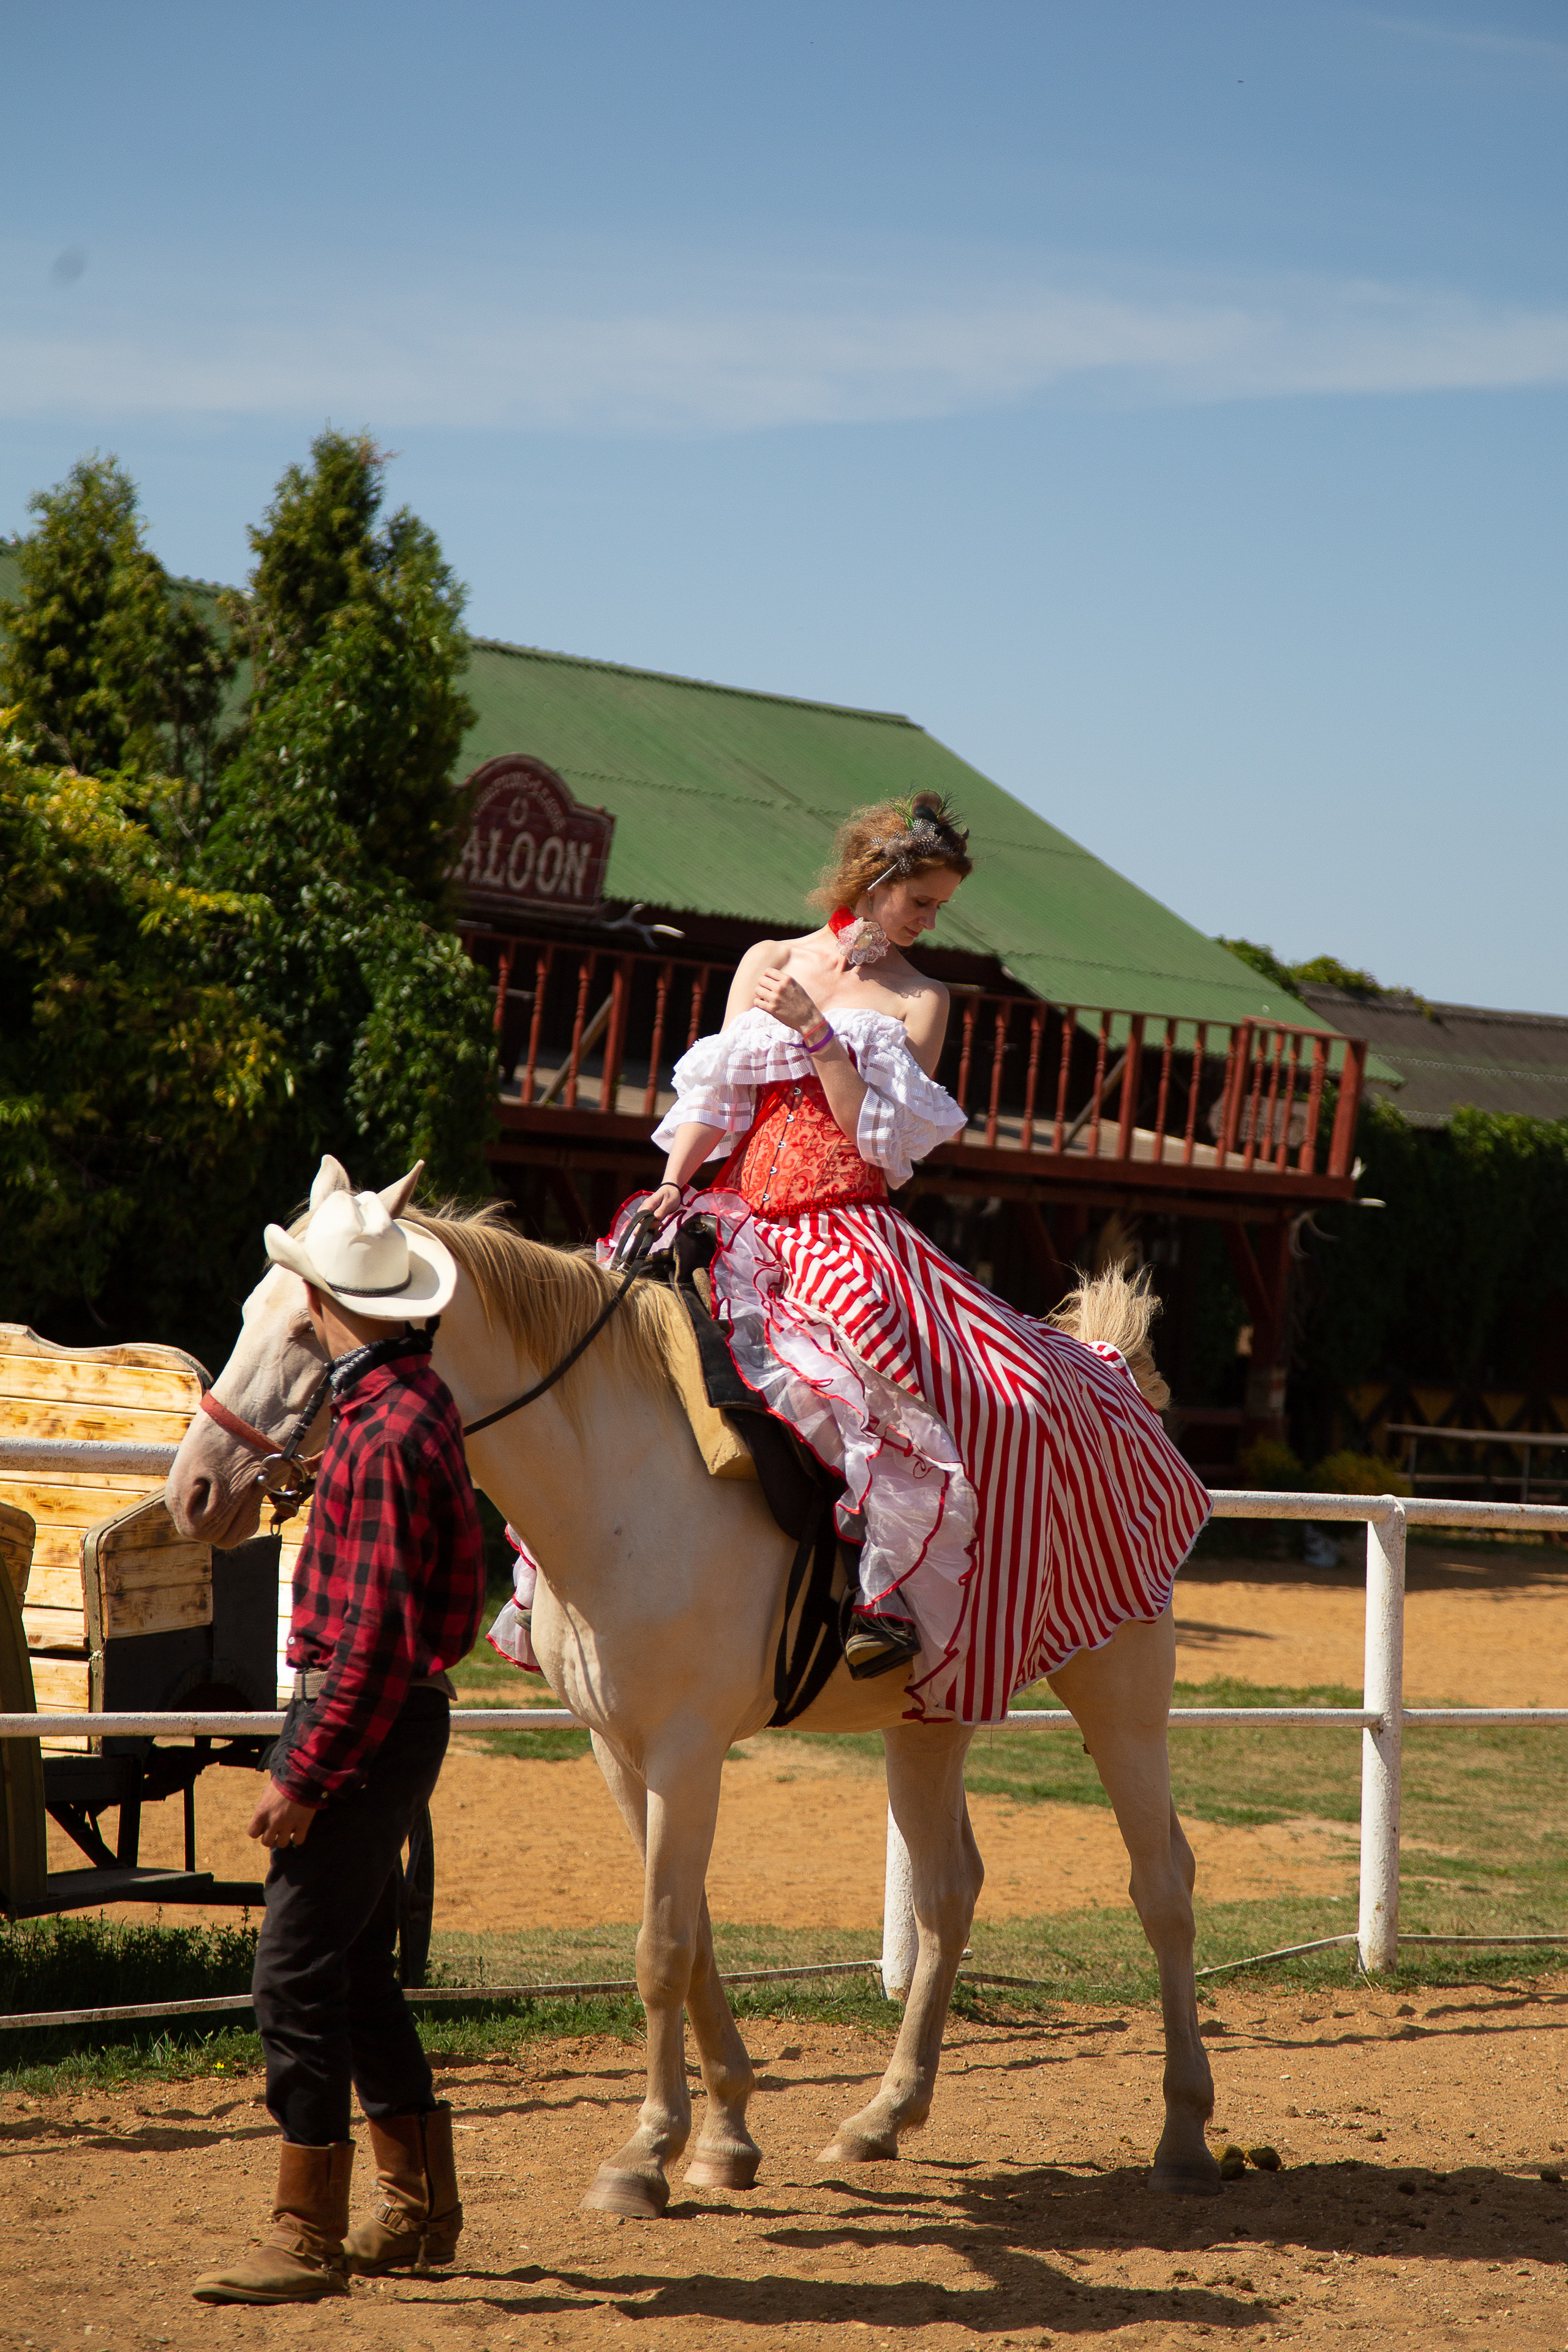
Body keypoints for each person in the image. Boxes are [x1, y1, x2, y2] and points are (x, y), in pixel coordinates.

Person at [605, 790, 1211, 1716]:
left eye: (936, 907)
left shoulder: (921, 998)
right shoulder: (769, 959)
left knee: (928, 1383)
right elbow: (715, 1099)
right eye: (920, 901)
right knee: (604, 1318)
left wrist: (817, 1033)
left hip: (843, 1224)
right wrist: (673, 1184)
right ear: (872, 881)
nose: (929, 921)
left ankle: (884, 1599)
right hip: (733, 1213)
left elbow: (879, 1146)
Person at [194, 1182, 486, 2305]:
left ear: (319, 1298)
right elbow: (432, 1619)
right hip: (400, 1716)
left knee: (293, 1971)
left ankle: (304, 2234)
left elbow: (367, 1639)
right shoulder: (413, 1406)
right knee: (357, 1968)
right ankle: (415, 2210)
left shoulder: (379, 1436)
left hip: (357, 1720)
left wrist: (307, 1773)